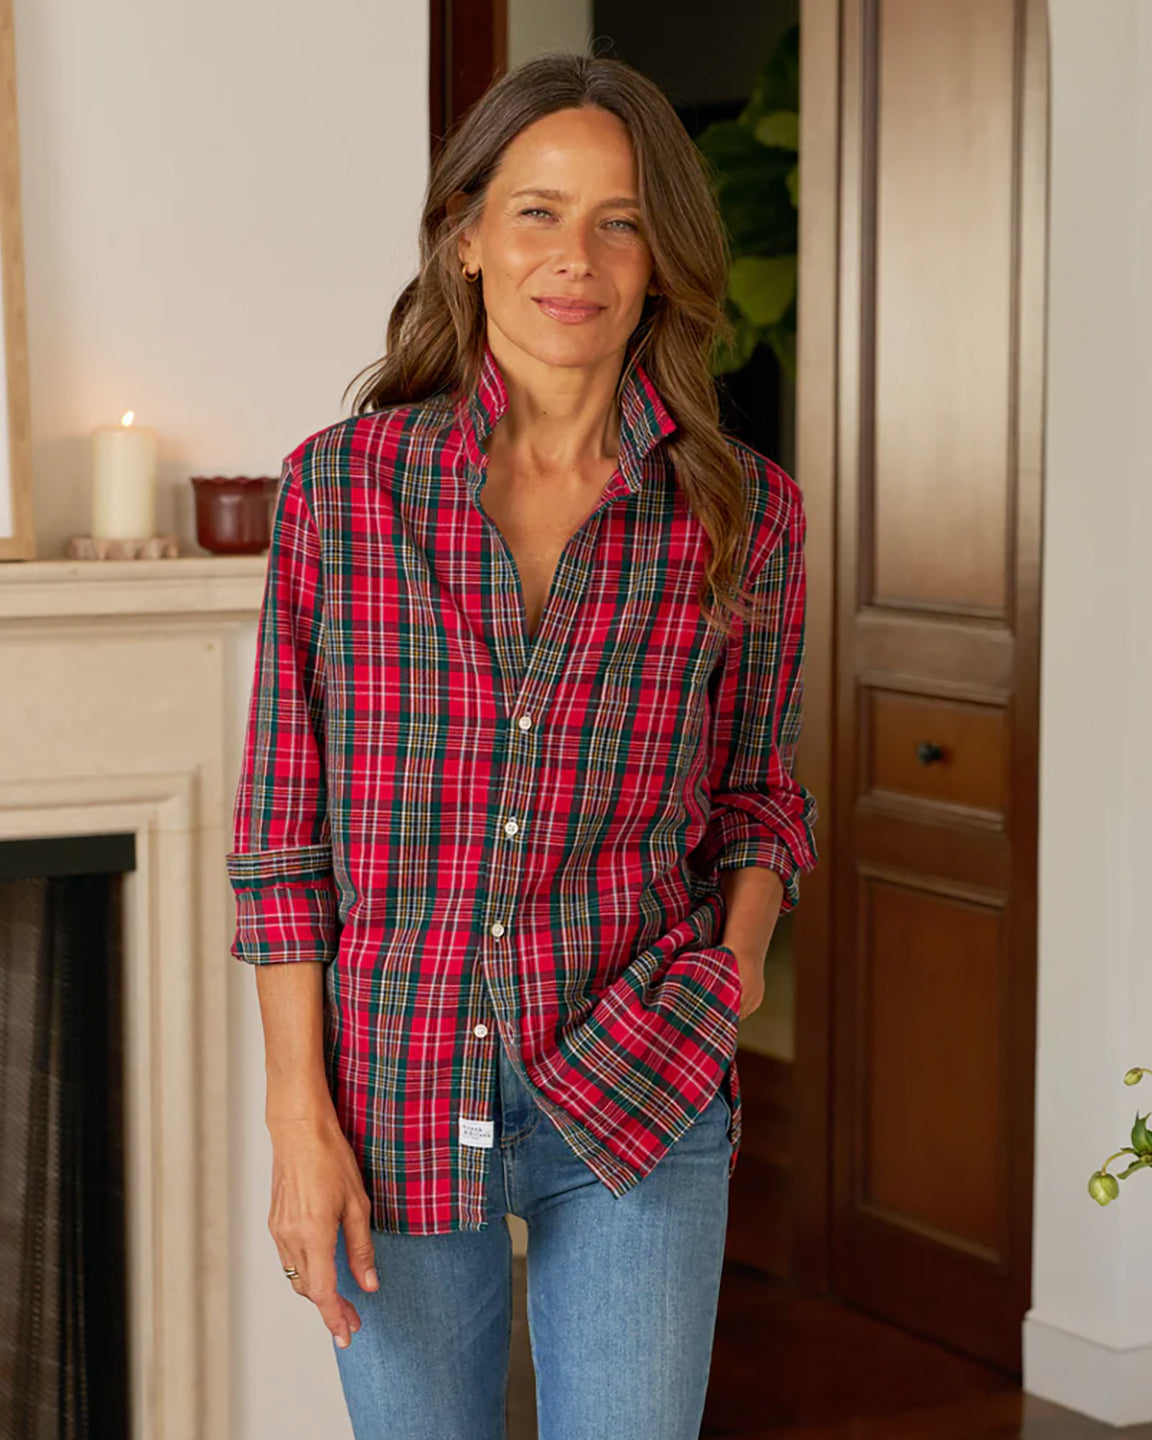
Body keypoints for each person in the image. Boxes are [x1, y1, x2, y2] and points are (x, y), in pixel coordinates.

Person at [226, 49, 818, 1440]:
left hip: (641, 1077)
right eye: (539, 211)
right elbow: (280, 841)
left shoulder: (745, 515)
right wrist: (296, 1122)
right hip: (391, 1083)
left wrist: (725, 974)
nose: (579, 258)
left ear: (661, 255)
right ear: (469, 234)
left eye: (621, 220)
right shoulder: (343, 492)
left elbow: (758, 799)